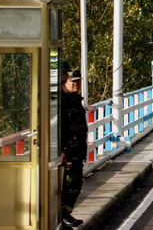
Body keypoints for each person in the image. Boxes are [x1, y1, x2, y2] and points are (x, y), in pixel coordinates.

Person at [60, 70, 88, 227]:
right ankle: (63, 214)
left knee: (75, 184)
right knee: (70, 185)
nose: (76, 84)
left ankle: (65, 215)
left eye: (78, 81)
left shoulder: (75, 99)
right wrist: (62, 150)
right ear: (65, 82)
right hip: (69, 150)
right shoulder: (64, 101)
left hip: (77, 150)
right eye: (73, 81)